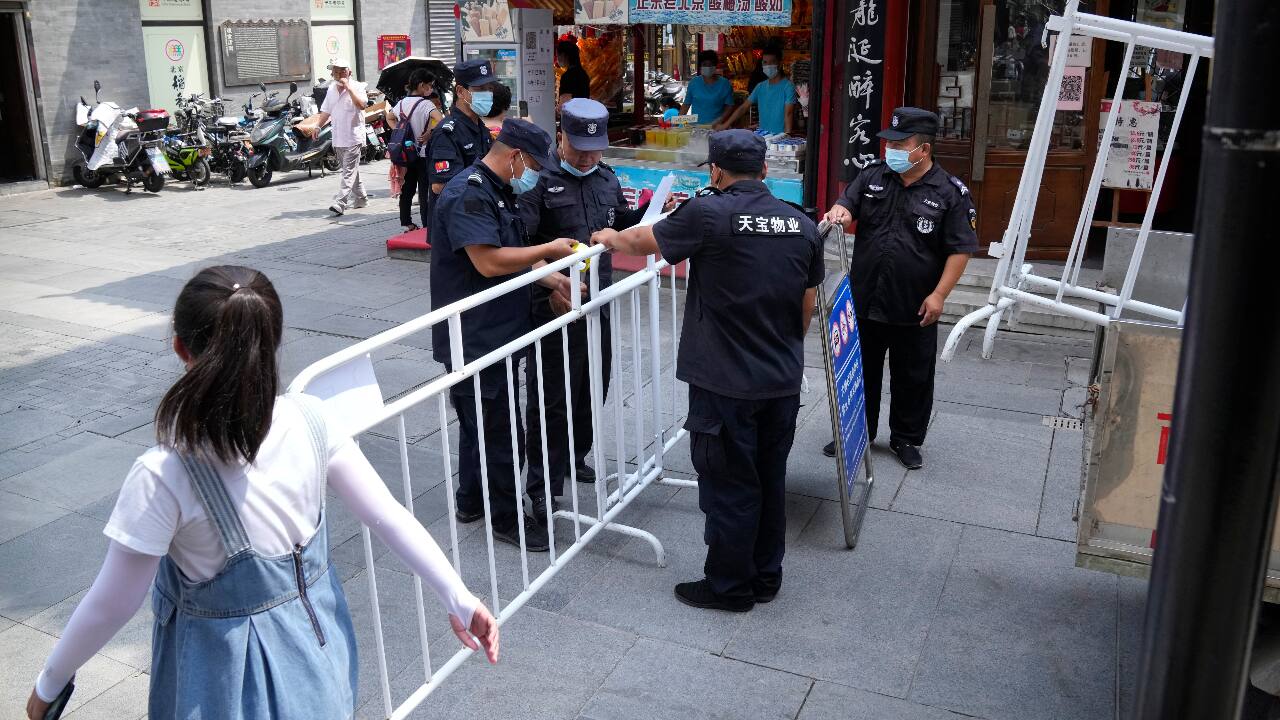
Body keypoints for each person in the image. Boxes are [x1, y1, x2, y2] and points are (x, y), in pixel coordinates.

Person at [23, 266, 499, 720]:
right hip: (318, 657)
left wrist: (49, 685)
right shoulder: (314, 419)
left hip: (216, 683)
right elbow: (389, 516)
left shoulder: (164, 474)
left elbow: (112, 603)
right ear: (271, 340)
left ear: (180, 348)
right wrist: (459, 598)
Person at [592, 130, 824, 612]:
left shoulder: (708, 212)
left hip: (725, 381)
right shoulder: (802, 224)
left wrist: (610, 236)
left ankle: (728, 586)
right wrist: (780, 347)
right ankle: (765, 576)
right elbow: (808, 302)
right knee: (768, 478)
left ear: (715, 171)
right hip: (780, 378)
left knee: (729, 484)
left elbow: (643, 239)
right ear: (763, 171)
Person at [430, 118, 577, 552]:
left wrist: (554, 279)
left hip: (497, 328)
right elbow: (490, 262)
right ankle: (507, 518)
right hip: (476, 336)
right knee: (499, 429)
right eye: (531, 166)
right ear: (515, 157)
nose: (533, 178)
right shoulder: (468, 193)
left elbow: (512, 257)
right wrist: (550, 250)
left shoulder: (497, 190)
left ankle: (471, 500)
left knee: (482, 422)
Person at [519, 98, 668, 521]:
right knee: (549, 398)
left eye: (595, 150)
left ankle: (574, 455)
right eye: (580, 149)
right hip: (552, 305)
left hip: (597, 299)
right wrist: (547, 286)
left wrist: (652, 212)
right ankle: (542, 485)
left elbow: (619, 222)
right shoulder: (537, 182)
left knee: (592, 383)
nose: (587, 158)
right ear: (561, 137)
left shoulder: (606, 178)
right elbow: (523, 248)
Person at [821, 107, 977, 469]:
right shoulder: (874, 176)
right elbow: (845, 204)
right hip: (866, 296)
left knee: (913, 375)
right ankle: (857, 431)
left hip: (915, 303)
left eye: (899, 143)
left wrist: (939, 295)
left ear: (922, 150)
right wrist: (839, 212)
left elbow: (961, 249)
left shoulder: (949, 193)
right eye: (888, 142)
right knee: (861, 371)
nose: (889, 149)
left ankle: (906, 439)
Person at [425, 59, 498, 221]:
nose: (487, 93)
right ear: (460, 91)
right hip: (455, 222)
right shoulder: (447, 133)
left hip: (477, 216)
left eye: (489, 88)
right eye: (480, 89)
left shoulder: (480, 128)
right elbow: (440, 185)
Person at [310, 58, 370, 216]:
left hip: (353, 137)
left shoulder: (358, 86)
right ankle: (362, 198)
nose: (338, 74)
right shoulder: (331, 89)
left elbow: (362, 105)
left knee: (348, 172)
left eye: (341, 71)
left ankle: (340, 202)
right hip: (338, 137)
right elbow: (326, 111)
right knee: (350, 171)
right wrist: (317, 126)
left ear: (349, 71)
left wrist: (349, 88)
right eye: (335, 71)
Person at [387, 68, 441, 232]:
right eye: (429, 86)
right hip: (423, 153)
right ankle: (426, 225)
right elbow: (440, 120)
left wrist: (398, 131)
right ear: (421, 85)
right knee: (425, 192)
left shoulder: (401, 103)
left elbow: (389, 117)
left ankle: (407, 222)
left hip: (405, 153)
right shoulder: (426, 104)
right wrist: (429, 134)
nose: (431, 89)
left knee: (408, 188)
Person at [716, 46, 796, 135]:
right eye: (765, 62)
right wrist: (725, 125)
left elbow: (789, 113)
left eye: (771, 62)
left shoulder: (788, 86)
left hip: (779, 140)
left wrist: (787, 136)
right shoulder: (760, 87)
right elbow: (743, 108)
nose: (768, 66)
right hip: (762, 137)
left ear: (780, 64)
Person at [681, 50, 736, 127]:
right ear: (700, 66)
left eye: (711, 64)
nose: (708, 67)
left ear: (715, 66)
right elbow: (686, 105)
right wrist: (678, 123)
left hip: (716, 127)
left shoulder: (724, 84)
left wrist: (720, 119)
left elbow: (730, 106)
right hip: (696, 128)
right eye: (705, 64)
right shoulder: (694, 83)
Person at [556, 39, 591, 109]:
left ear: (564, 55)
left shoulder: (567, 77)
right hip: (583, 114)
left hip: (571, 117)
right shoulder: (583, 74)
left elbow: (564, 105)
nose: (557, 59)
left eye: (558, 55)